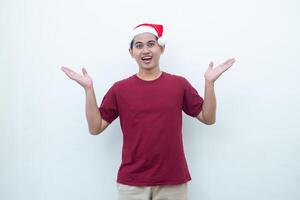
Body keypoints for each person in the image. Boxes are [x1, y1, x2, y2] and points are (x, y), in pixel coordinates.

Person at [61, 23, 236, 200]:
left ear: (162, 48)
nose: (146, 50)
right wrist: (88, 89)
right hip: (132, 183)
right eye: (139, 45)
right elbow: (95, 127)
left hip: (172, 181)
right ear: (131, 53)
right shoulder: (120, 89)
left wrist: (210, 84)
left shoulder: (179, 84)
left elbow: (208, 118)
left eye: (151, 44)